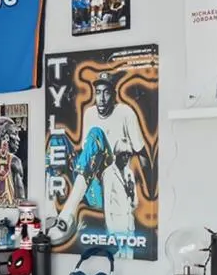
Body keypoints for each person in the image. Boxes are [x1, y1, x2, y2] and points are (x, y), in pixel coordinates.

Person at [52, 72, 154, 248]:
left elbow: (141, 153)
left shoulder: (125, 113)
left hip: (111, 188)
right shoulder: (89, 113)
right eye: (98, 92)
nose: (101, 98)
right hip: (91, 187)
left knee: (96, 133)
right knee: (57, 139)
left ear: (114, 94)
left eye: (106, 92)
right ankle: (56, 214)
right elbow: (87, 154)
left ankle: (66, 216)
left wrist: (149, 192)